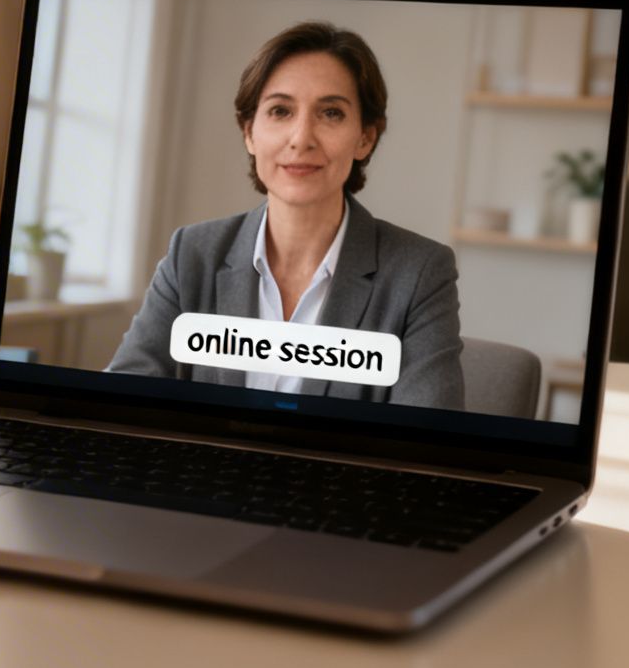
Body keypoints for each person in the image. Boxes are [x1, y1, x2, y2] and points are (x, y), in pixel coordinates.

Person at [107, 21, 464, 409]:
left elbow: (424, 431)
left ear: (365, 137)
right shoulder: (192, 253)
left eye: (331, 113)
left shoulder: (420, 273)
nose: (301, 138)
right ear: (249, 133)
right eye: (280, 111)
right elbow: (121, 400)